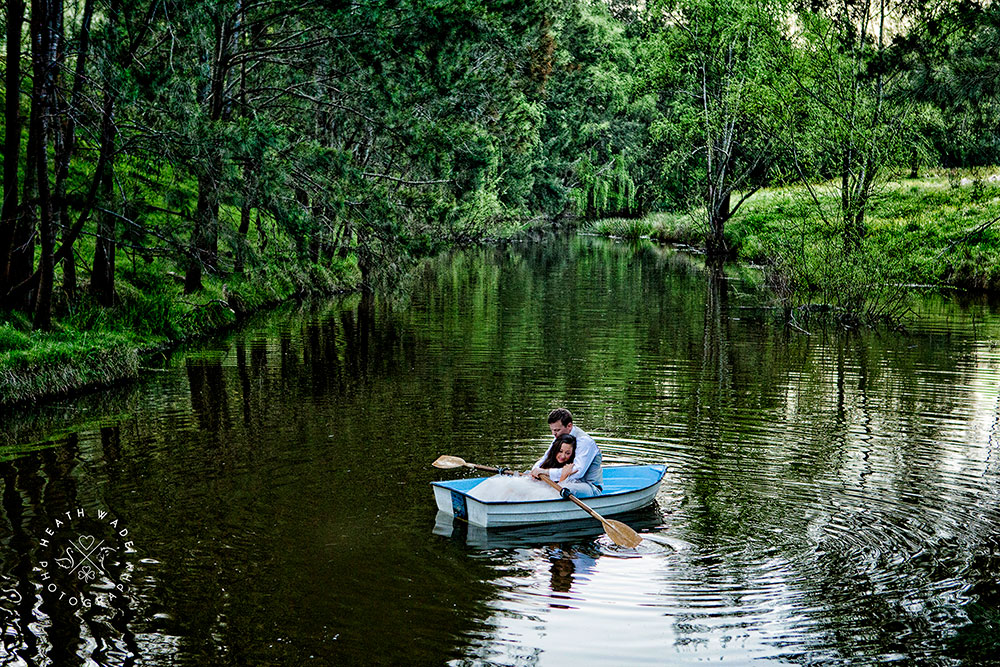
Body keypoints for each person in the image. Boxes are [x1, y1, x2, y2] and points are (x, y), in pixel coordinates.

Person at [530, 408, 603, 498]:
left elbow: (577, 473)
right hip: (564, 479)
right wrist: (535, 470)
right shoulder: (560, 436)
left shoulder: (585, 442)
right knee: (530, 480)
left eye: (557, 430)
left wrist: (547, 472)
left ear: (569, 426)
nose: (554, 433)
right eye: (552, 430)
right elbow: (545, 457)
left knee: (563, 488)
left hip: (588, 486)